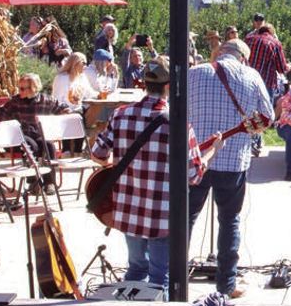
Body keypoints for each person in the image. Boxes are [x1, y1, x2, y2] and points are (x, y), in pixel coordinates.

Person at [92, 57, 219, 290]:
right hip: (161, 213)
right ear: (169, 86)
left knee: (136, 268)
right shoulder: (179, 124)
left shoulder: (120, 114)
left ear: (143, 82)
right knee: (161, 276)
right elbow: (193, 175)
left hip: (128, 209)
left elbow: (98, 153)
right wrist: (211, 152)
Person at [187, 39, 273, 298]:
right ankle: (226, 285)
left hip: (196, 158)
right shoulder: (251, 75)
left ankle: (173, 280)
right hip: (233, 160)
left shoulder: (195, 72)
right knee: (229, 221)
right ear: (243, 58)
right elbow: (268, 116)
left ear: (220, 52)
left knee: (185, 220)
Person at [0, 73, 75, 194]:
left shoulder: (46, 100)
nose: (19, 91)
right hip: (22, 136)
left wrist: (67, 113)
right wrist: (9, 125)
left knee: (49, 146)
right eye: (19, 88)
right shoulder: (16, 101)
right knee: (31, 145)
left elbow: (63, 108)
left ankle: (49, 183)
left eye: (22, 88)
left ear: (33, 88)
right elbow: (1, 113)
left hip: (40, 134)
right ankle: (33, 181)